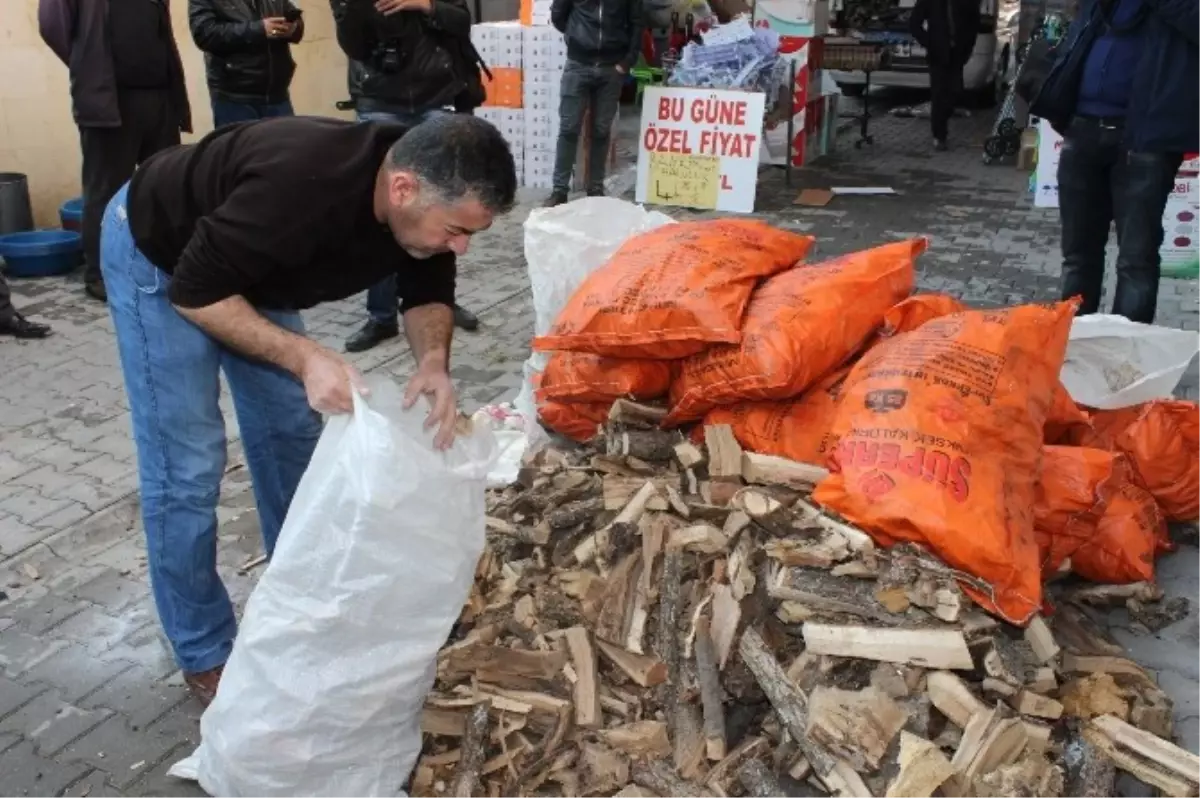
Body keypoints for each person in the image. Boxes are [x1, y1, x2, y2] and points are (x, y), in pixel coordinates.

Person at [98, 114, 516, 705]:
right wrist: (302, 357)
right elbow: (194, 291)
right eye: (455, 230)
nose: (462, 245)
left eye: (471, 234)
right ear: (403, 190)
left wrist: (433, 365)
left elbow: (427, 289)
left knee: (292, 437)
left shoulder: (423, 197)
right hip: (163, 256)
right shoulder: (299, 189)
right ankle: (204, 648)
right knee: (186, 465)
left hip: (254, 268)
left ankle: (300, 603)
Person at [332, 0, 487, 352]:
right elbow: (353, 43)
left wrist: (425, 5)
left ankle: (437, 301)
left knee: (444, 206)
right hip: (379, 100)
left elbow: (462, 21)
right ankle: (381, 316)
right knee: (383, 212)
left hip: (437, 98)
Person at [1044, 0, 1199, 324]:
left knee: (1135, 260)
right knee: (1077, 256)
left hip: (1144, 141)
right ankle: (1071, 347)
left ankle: (1124, 361)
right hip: (1083, 131)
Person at [38, 0, 193, 303]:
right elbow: (52, 27)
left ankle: (169, 267)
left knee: (165, 189)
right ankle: (100, 274)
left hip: (159, 98)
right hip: (109, 103)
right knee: (104, 194)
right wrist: (88, 64)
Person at [543, 0, 644, 207]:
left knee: (601, 129)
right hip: (578, 64)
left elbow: (636, 23)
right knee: (569, 128)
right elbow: (558, 15)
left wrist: (627, 61)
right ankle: (559, 190)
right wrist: (577, 38)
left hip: (612, 68)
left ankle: (595, 187)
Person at [188, 0, 305, 127]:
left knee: (284, 146)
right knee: (240, 147)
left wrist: (293, 28)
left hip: (278, 96)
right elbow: (205, 34)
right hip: (235, 99)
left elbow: (293, 17)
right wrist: (259, 29)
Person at [909, 0, 979, 151]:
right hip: (938, 55)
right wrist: (929, 42)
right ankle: (939, 136)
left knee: (955, 92)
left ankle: (946, 113)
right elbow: (914, 23)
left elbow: (974, 23)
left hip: (958, 54)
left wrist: (968, 48)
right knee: (939, 94)